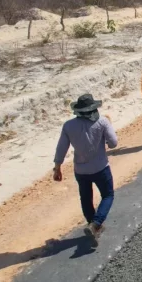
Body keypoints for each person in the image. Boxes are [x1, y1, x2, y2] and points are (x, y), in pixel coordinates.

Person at [53, 94, 118, 246]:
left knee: (86, 197)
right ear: (94, 108)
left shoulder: (68, 125)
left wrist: (57, 167)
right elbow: (113, 143)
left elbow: (61, 148)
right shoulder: (102, 122)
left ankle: (92, 224)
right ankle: (96, 223)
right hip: (101, 167)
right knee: (108, 195)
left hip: (81, 170)